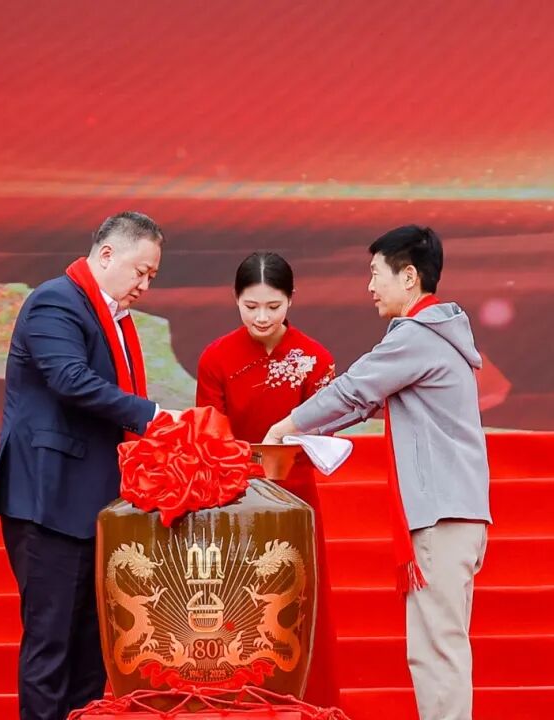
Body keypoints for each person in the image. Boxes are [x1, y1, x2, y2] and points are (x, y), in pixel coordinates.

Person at [262, 226, 490, 720]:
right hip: (451, 512)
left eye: (375, 274)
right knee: (435, 648)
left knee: (437, 651)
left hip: (442, 515)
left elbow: (354, 388)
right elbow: (362, 401)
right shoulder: (435, 334)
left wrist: (285, 426)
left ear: (408, 277)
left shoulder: (417, 335)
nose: (369, 286)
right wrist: (306, 430)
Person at [0, 211, 175, 720]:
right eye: (140, 271)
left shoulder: (114, 318)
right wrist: (154, 416)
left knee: (92, 647)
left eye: (152, 276)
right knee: (52, 643)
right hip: (50, 499)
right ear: (107, 254)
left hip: (95, 503)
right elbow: (69, 379)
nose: (144, 286)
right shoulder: (56, 301)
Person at [196, 251, 340, 707]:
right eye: (251, 306)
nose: (261, 317)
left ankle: (309, 702)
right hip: (233, 496)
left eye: (273, 306)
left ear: (291, 299)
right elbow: (209, 433)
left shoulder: (314, 357)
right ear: (235, 299)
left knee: (298, 600)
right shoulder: (216, 357)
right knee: (235, 601)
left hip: (296, 493)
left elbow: (324, 433)